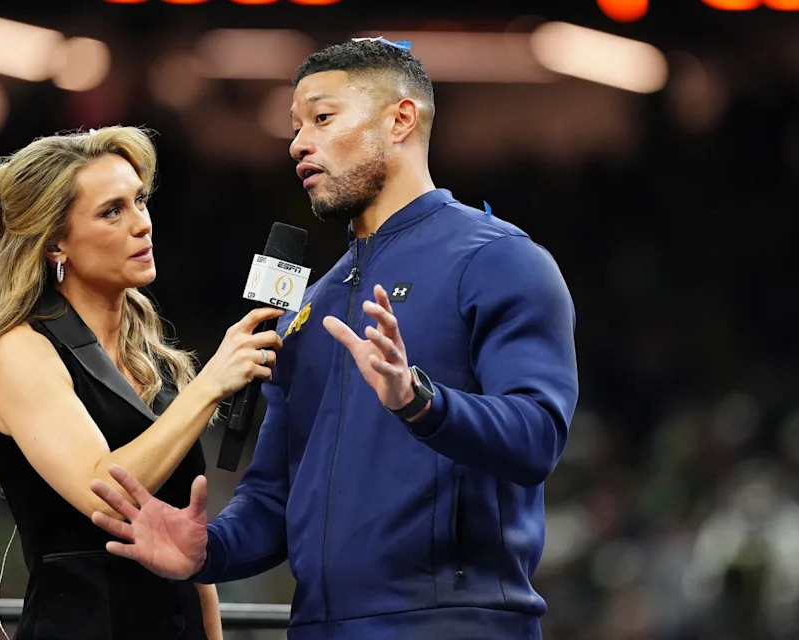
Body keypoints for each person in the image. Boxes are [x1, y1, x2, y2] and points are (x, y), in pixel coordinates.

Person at [90, 38, 579, 639]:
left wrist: (419, 401)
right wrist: (208, 551)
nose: (298, 143)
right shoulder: (307, 307)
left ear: (401, 120)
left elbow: (537, 438)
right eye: (295, 126)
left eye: (322, 118)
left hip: (452, 624)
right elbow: (273, 498)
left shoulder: (500, 260)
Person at [0, 126, 286, 640]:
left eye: (140, 201)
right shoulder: (21, 350)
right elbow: (104, 493)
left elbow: (187, 542)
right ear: (55, 244)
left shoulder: (151, 361)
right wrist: (210, 387)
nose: (142, 224)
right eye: (112, 211)